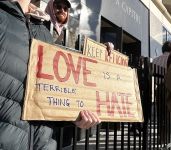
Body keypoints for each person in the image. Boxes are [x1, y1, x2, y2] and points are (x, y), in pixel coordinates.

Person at [0, 1, 100, 149]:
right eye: (58, 7)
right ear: (50, 8)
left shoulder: (48, 32)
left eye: (66, 8)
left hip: (43, 139)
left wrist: (72, 115)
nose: (62, 11)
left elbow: (54, 90)